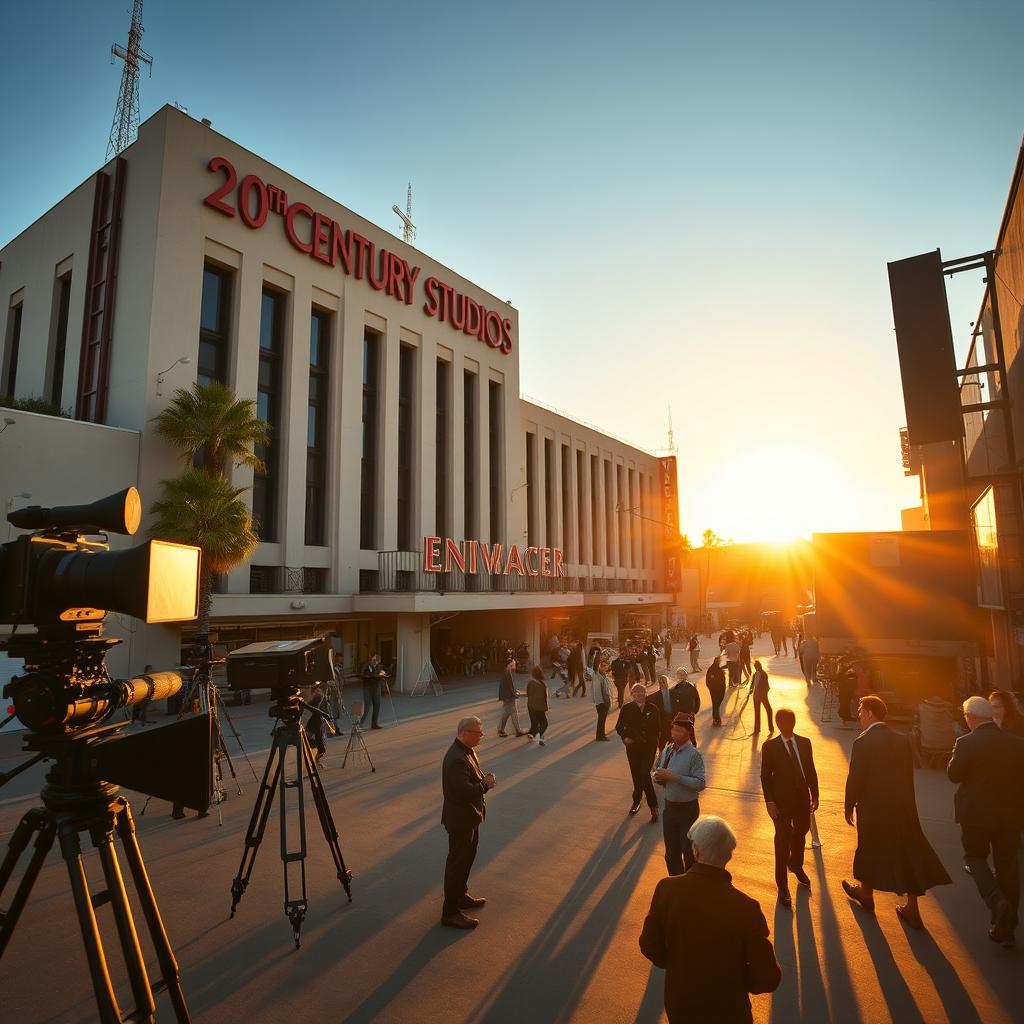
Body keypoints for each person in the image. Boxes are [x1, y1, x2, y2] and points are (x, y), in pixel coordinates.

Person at [639, 815, 781, 1023]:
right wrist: (738, 982)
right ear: (728, 856)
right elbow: (768, 978)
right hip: (729, 1010)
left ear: (695, 851)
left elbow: (649, 944)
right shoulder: (746, 908)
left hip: (681, 1004)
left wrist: (677, 965)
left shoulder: (667, 889)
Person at [842, 695, 951, 929]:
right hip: (901, 806)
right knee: (907, 851)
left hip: (874, 808)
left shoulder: (863, 742)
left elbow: (856, 778)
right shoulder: (902, 740)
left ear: (870, 713)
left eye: (861, 710)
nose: (859, 715)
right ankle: (911, 907)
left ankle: (866, 893)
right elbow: (907, 777)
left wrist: (849, 805)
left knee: (869, 848)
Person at [947, 695, 1024, 947]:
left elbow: (954, 775)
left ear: (970, 717)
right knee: (1007, 866)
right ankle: (1007, 927)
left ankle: (996, 902)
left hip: (976, 815)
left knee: (975, 857)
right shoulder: (1016, 743)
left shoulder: (966, 742)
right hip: (1010, 815)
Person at [440, 716, 495, 929]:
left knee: (467, 859)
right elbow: (464, 792)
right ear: (465, 733)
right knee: (457, 864)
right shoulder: (456, 758)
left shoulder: (466, 751)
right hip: (460, 820)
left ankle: (460, 895)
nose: (482, 736)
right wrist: (485, 785)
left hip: (469, 817)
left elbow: (471, 778)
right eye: (478, 733)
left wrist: (482, 778)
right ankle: (450, 912)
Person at [760, 708, 818, 906]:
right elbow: (765, 777)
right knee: (782, 841)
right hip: (781, 803)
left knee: (801, 832)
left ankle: (795, 864)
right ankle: (782, 885)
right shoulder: (770, 747)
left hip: (802, 799)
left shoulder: (804, 743)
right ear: (778, 724)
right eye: (784, 723)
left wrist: (815, 794)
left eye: (790, 722)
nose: (787, 726)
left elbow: (810, 769)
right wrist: (770, 802)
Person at [653, 716, 706, 874]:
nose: (674, 733)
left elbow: (700, 783)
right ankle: (676, 884)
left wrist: (674, 777)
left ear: (688, 733)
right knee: (671, 855)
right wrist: (658, 777)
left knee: (688, 854)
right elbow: (657, 769)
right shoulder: (668, 749)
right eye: (673, 729)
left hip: (687, 810)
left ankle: (688, 888)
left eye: (678, 730)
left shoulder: (694, 755)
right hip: (670, 809)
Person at [615, 682, 660, 822]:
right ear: (632, 694)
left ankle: (653, 806)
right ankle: (637, 800)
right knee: (636, 773)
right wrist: (625, 737)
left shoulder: (653, 708)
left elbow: (658, 728)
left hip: (648, 747)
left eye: (642, 693)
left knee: (644, 773)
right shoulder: (627, 708)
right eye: (637, 693)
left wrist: (656, 743)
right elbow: (619, 727)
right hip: (633, 747)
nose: (640, 695)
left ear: (646, 694)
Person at [497, 655, 528, 737]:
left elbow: (508, 686)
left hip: (506, 697)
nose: (515, 664)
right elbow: (509, 687)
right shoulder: (508, 673)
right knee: (512, 712)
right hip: (508, 697)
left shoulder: (506, 672)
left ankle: (501, 730)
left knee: (506, 713)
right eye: (514, 663)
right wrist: (515, 694)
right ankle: (517, 731)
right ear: (509, 664)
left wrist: (514, 691)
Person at [360, 652, 386, 730]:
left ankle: (374, 724)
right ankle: (359, 724)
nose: (375, 661)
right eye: (373, 659)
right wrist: (377, 675)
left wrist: (383, 674)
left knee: (377, 706)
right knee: (367, 707)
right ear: (370, 658)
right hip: (368, 688)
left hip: (377, 687)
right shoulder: (366, 665)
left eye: (376, 659)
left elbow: (382, 673)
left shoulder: (379, 666)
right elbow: (364, 674)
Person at [525, 665, 549, 746]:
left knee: (534, 722)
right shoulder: (542, 684)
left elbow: (528, 694)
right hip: (539, 707)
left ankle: (532, 735)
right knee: (544, 723)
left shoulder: (530, 682)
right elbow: (545, 697)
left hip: (530, 705)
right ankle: (539, 737)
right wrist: (546, 708)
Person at [307, 682, 329, 762]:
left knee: (315, 734)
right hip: (315, 716)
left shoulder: (319, 692)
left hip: (315, 716)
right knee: (315, 734)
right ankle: (318, 752)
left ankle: (318, 752)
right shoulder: (317, 693)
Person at [592, 656, 613, 741]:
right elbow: (597, 691)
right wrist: (600, 702)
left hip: (605, 701)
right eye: (604, 666)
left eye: (606, 666)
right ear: (600, 666)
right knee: (601, 720)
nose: (606, 668)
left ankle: (601, 734)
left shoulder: (603, 675)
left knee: (602, 719)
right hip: (602, 702)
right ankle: (600, 736)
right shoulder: (598, 677)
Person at [750, 660, 773, 734]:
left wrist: (764, 694)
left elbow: (767, 687)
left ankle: (770, 727)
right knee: (757, 712)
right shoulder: (755, 674)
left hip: (762, 696)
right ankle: (757, 729)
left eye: (758, 666)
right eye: (756, 667)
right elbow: (753, 683)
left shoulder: (764, 674)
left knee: (769, 710)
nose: (757, 668)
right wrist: (751, 690)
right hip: (756, 696)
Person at [706, 656, 727, 727]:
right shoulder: (713, 669)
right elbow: (708, 681)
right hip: (716, 691)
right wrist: (712, 689)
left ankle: (715, 718)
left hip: (717, 690)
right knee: (716, 705)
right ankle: (716, 719)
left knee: (716, 705)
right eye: (719, 661)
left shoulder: (717, 669)